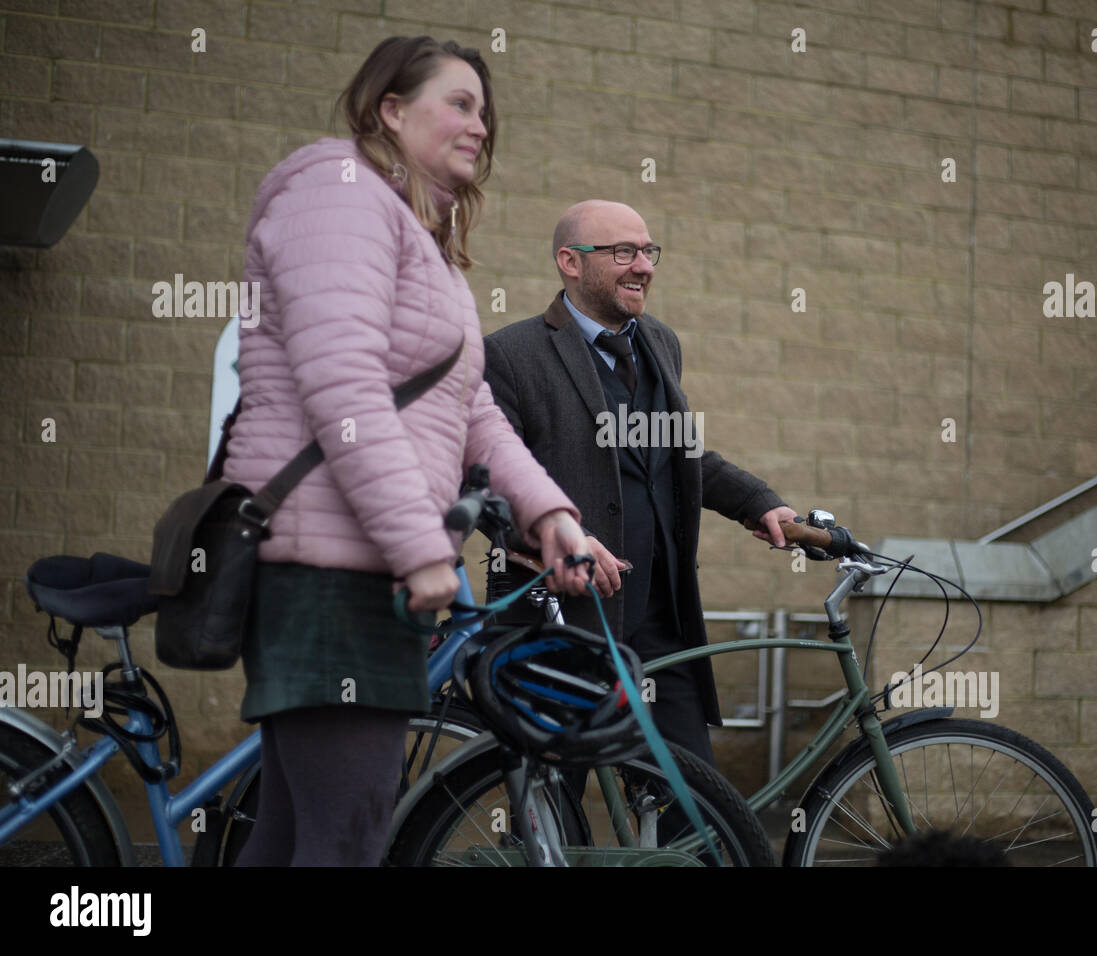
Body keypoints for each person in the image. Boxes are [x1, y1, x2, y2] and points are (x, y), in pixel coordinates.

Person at [221, 36, 591, 867]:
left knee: (295, 838)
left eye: (485, 111)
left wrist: (549, 512)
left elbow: (475, 413)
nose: (480, 125)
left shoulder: (422, 243)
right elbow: (344, 391)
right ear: (392, 109)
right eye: (459, 103)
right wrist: (423, 550)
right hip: (331, 573)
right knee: (344, 839)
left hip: (362, 565)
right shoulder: (340, 198)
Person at [483, 200, 798, 765]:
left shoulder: (661, 343)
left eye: (649, 251)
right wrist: (553, 541)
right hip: (562, 621)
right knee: (559, 804)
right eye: (623, 251)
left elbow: (680, 456)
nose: (644, 266)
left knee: (693, 804)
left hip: (662, 624)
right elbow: (484, 485)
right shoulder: (509, 354)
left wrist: (759, 502)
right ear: (569, 262)